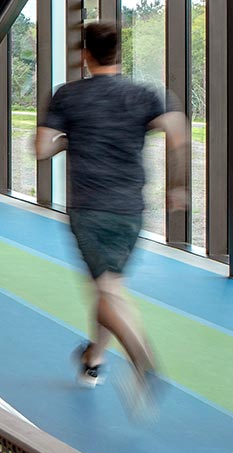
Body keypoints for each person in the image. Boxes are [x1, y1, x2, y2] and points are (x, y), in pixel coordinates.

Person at [37, 21, 190, 417]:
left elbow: (39, 149)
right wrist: (178, 184)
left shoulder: (68, 96)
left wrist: (68, 140)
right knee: (107, 287)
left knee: (108, 290)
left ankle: (143, 361)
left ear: (85, 54)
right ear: (118, 53)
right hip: (132, 210)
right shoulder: (144, 95)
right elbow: (178, 131)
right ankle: (93, 359)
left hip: (89, 206)